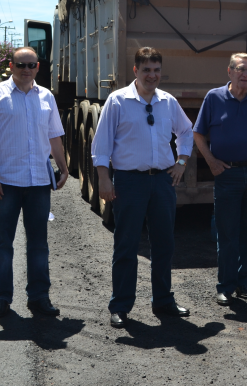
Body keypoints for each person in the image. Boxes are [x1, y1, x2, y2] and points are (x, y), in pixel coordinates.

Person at [93, 47, 194, 328]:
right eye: (147, 70)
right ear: (135, 71)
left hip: (162, 180)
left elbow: (186, 132)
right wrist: (104, 178)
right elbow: (101, 144)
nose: (152, 75)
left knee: (164, 243)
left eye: (157, 70)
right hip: (129, 181)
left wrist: (182, 161)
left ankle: (163, 301)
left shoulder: (168, 102)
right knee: (126, 244)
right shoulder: (117, 101)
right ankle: (120, 305)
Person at [0, 46, 69, 318]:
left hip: (39, 182)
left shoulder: (46, 97)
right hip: (5, 183)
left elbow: (54, 136)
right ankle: (2, 298)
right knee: (3, 244)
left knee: (39, 244)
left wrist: (63, 168)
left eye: (31, 65)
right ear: (11, 67)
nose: (26, 70)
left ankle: (39, 297)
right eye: (20, 65)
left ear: (38, 67)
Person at [194, 53, 247, 307]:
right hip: (227, 175)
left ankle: (244, 283)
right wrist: (211, 162)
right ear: (229, 71)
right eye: (241, 69)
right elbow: (198, 134)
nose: (245, 74)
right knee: (227, 233)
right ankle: (225, 286)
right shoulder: (214, 97)